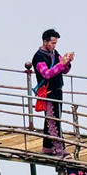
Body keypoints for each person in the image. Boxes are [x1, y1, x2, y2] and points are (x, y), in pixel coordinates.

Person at [31, 28, 74, 157]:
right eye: (52, 43)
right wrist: (61, 64)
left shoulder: (55, 53)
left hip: (57, 89)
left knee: (54, 116)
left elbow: (63, 70)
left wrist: (67, 62)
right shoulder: (38, 57)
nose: (54, 46)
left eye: (55, 43)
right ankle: (60, 150)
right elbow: (47, 74)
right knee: (53, 120)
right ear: (45, 42)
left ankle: (47, 146)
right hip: (48, 92)